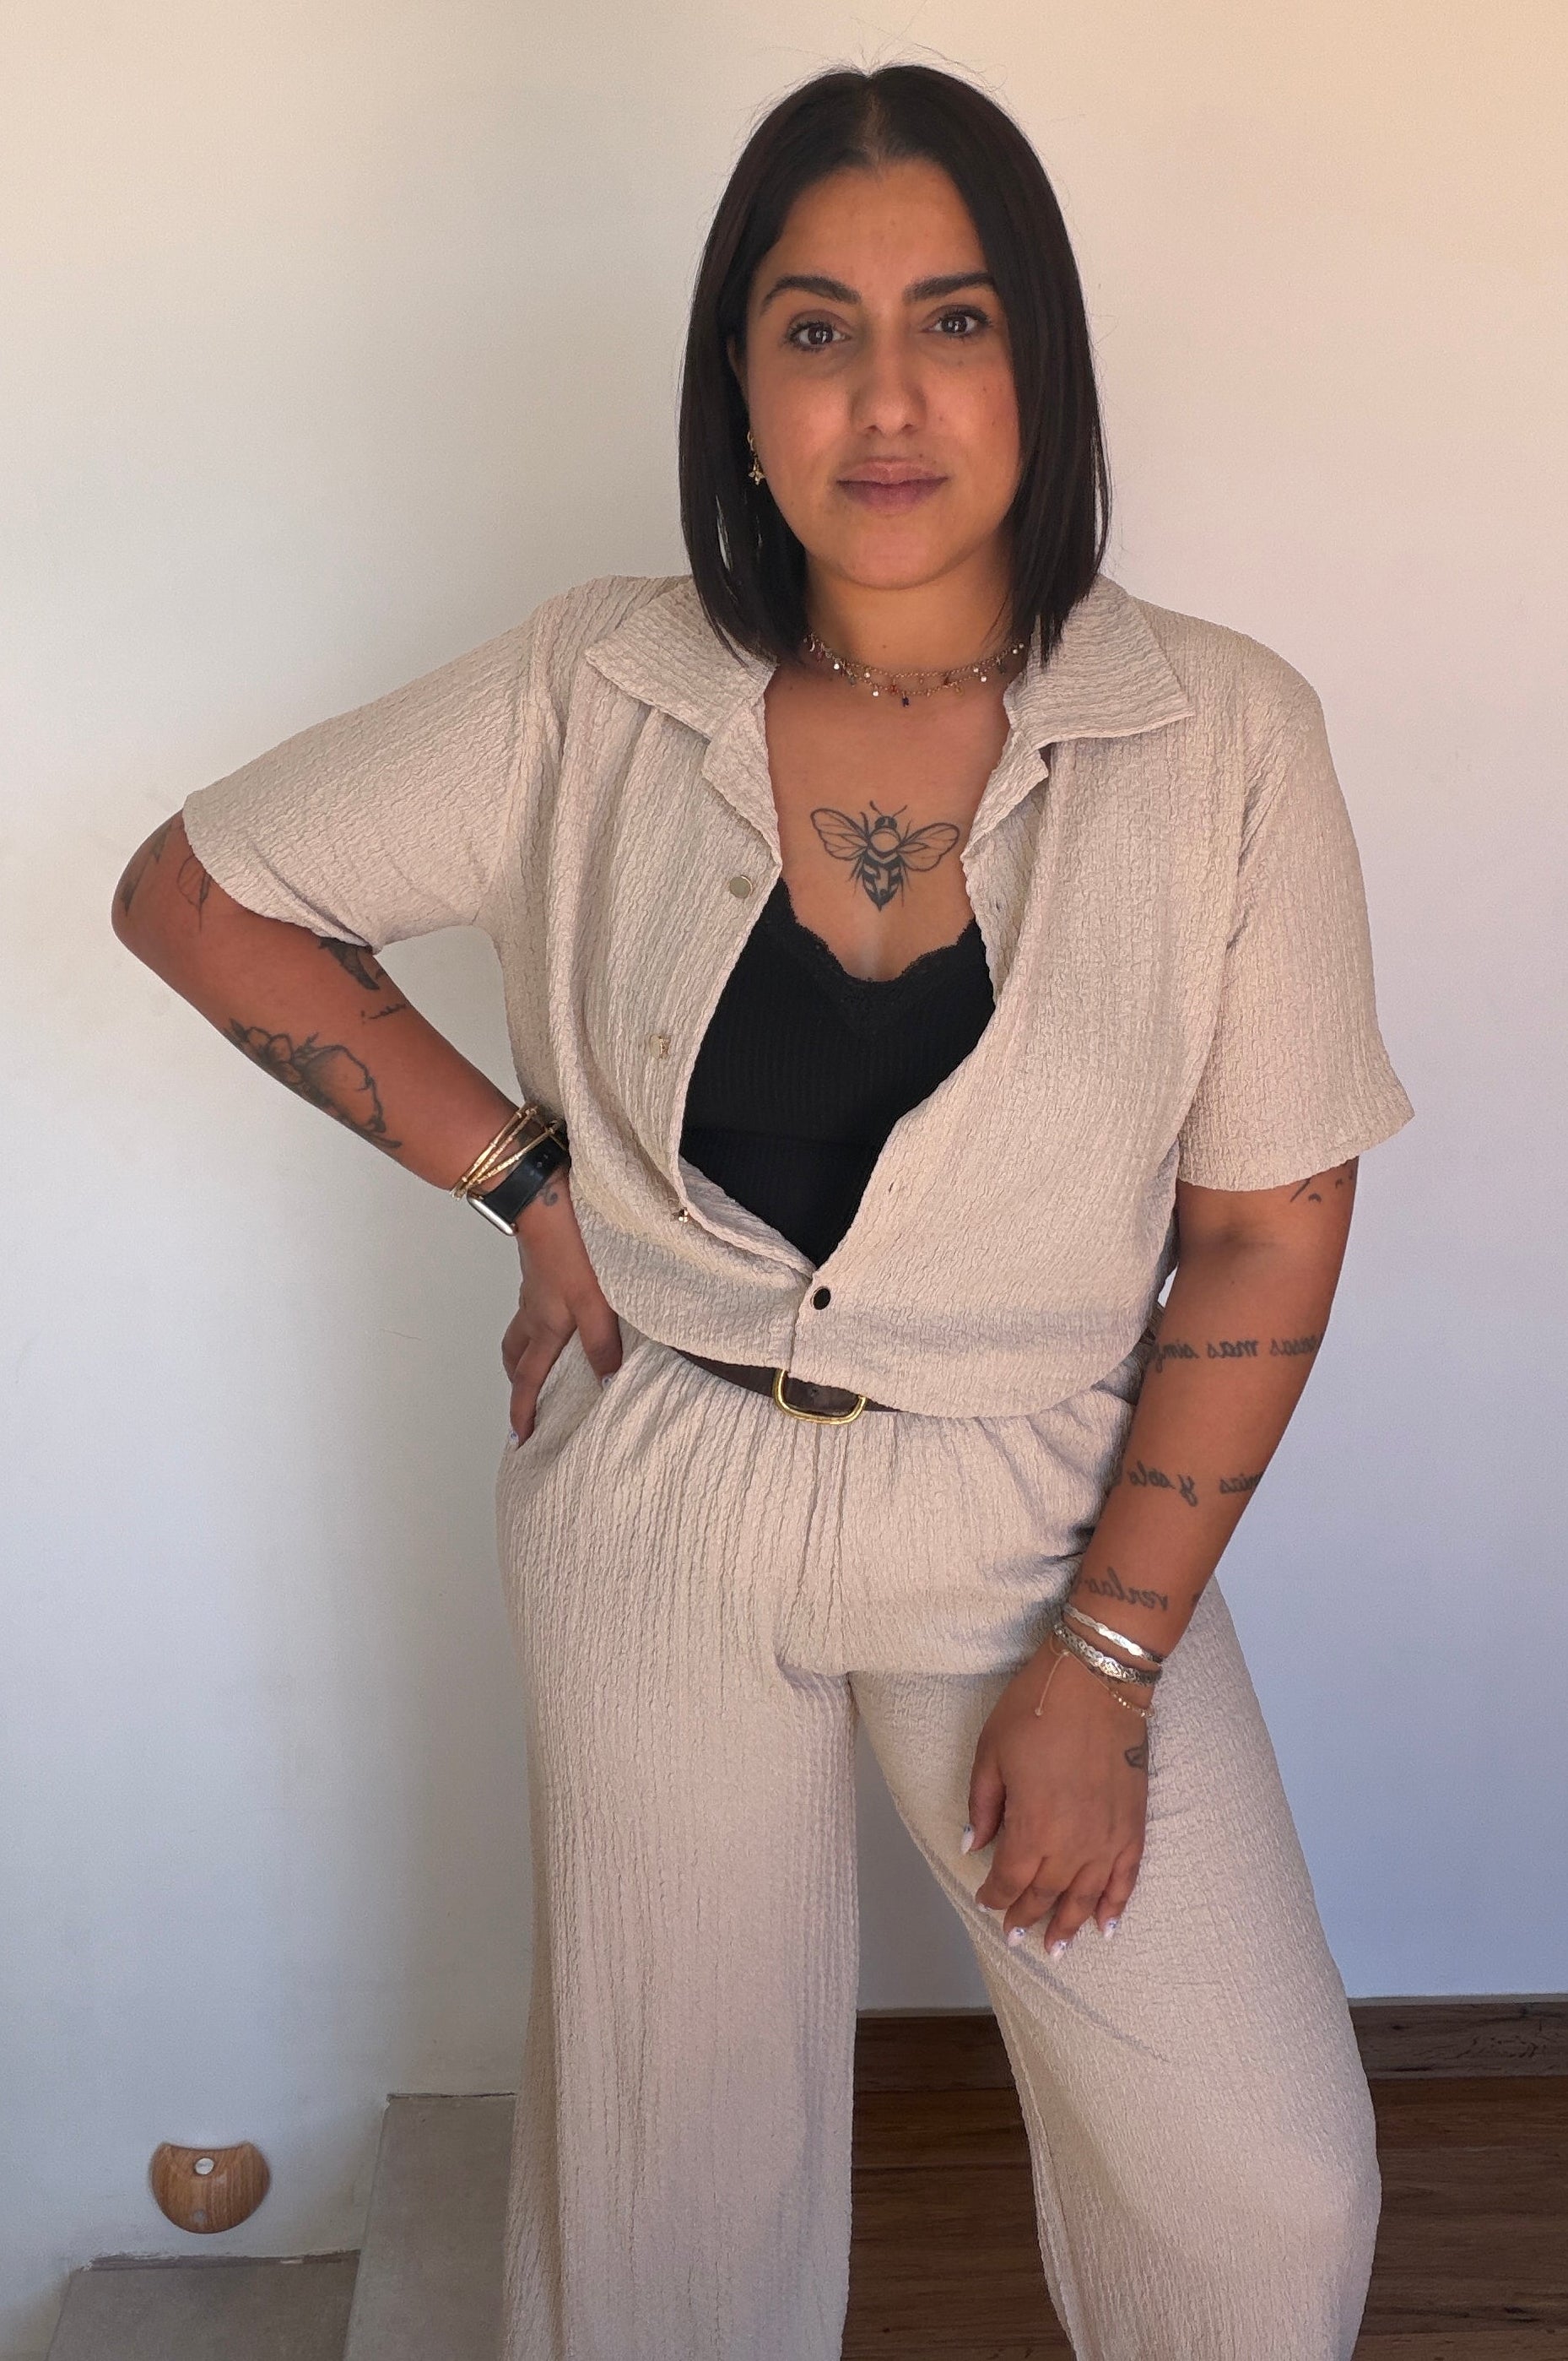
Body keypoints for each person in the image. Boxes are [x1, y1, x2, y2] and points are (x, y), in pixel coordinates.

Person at [112, 61, 1414, 2361]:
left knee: (1255, 2184)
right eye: (817, 329)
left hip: (1039, 1506)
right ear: (739, 384)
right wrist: (520, 1181)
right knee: (665, 2215)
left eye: (953, 321)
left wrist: (1106, 1665)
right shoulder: (595, 686)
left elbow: (1263, 1229)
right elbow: (201, 894)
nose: (885, 398)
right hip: (659, 1486)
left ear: (1041, 366)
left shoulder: (1221, 738)